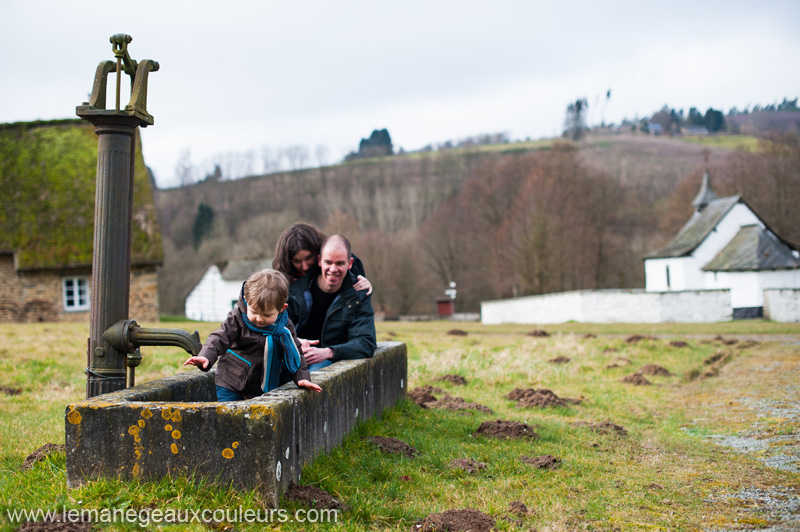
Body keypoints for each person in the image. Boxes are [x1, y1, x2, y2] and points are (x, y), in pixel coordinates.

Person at [183, 269, 322, 401]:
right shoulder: (237, 318)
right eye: (254, 312)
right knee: (231, 417)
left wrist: (302, 377)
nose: (259, 319)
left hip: (260, 387)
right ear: (246, 300)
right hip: (230, 382)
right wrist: (205, 356)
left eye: (267, 315)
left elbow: (295, 352)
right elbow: (219, 337)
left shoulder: (284, 327)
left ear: (281, 309)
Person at [288, 235, 377, 371]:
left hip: (327, 362)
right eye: (328, 262)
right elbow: (276, 327)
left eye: (340, 263)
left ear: (350, 263)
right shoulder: (295, 290)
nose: (333, 269)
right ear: (319, 261)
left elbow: (366, 342)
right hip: (294, 355)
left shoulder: (359, 294)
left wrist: (328, 352)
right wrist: (297, 341)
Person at [273, 222, 373, 294]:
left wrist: (363, 283)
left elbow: (360, 295)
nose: (305, 266)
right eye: (297, 261)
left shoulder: (351, 264)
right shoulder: (280, 274)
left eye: (308, 258)